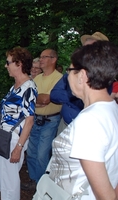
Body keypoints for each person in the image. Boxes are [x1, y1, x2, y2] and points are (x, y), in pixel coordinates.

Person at [45, 41, 118, 199]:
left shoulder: (89, 121)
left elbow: (107, 197)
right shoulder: (111, 109)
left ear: (82, 76)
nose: (67, 76)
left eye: (70, 70)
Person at [0, 47, 37, 199]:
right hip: (4, 137)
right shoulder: (15, 87)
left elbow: (29, 120)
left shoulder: (29, 88)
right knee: (4, 179)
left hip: (14, 139)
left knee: (10, 181)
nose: (6, 66)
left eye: (8, 62)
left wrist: (19, 148)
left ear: (19, 63)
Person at [50, 31, 109, 133]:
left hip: (86, 128)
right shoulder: (73, 69)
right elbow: (54, 95)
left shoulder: (105, 75)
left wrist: (73, 95)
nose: (83, 51)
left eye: (88, 48)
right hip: (65, 124)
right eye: (83, 48)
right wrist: (74, 94)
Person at [21, 49, 62, 190]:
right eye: (41, 57)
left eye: (44, 57)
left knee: (42, 155)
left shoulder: (59, 78)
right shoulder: (37, 78)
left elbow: (45, 99)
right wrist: (38, 99)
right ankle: (34, 180)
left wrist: (36, 99)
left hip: (50, 121)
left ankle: (42, 186)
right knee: (31, 153)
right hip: (35, 119)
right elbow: (26, 98)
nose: (41, 59)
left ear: (53, 59)